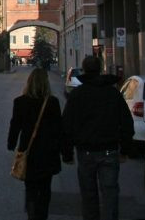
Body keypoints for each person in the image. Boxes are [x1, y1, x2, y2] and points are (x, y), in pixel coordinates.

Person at [61, 56, 134, 220]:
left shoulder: (78, 95)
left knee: (88, 194)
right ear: (100, 69)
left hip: (85, 151)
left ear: (84, 70)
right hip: (109, 150)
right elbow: (127, 123)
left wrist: (67, 153)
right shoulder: (113, 93)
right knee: (110, 193)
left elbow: (67, 125)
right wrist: (125, 149)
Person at [7, 67, 62, 220]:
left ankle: (32, 215)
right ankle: (42, 215)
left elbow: (15, 125)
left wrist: (11, 143)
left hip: (28, 152)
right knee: (45, 188)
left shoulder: (20, 102)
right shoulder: (52, 102)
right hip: (48, 152)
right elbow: (59, 128)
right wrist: (65, 152)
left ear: (29, 82)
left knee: (30, 188)